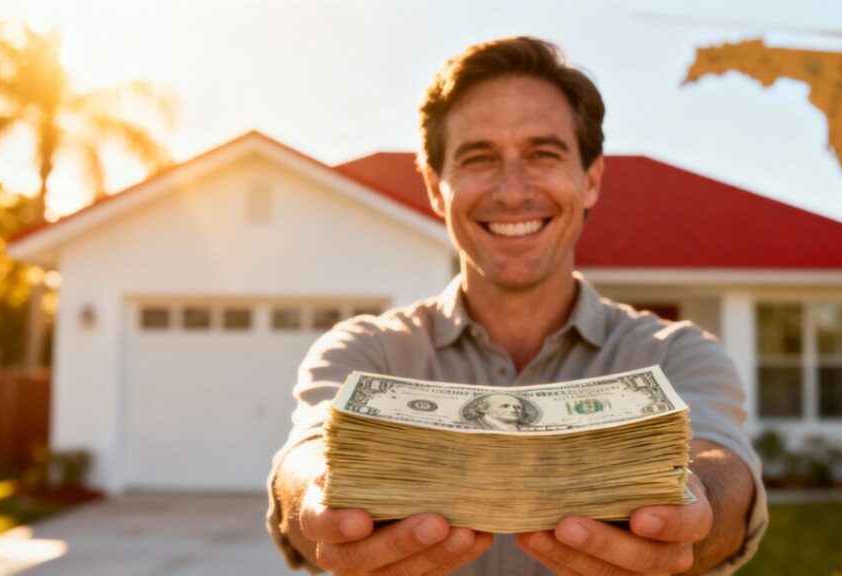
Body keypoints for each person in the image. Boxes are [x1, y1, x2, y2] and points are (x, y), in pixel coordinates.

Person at [267, 36, 768, 575]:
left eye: (543, 154)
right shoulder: (364, 351)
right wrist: (315, 498)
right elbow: (309, 452)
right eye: (479, 158)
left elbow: (724, 466)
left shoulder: (678, 354)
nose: (511, 191)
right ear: (437, 189)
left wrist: (700, 507)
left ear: (591, 178)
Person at [461, 393, 537, 430]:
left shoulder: (524, 426)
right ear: (484, 409)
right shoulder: (473, 424)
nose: (513, 410)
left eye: (518, 407)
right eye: (505, 406)